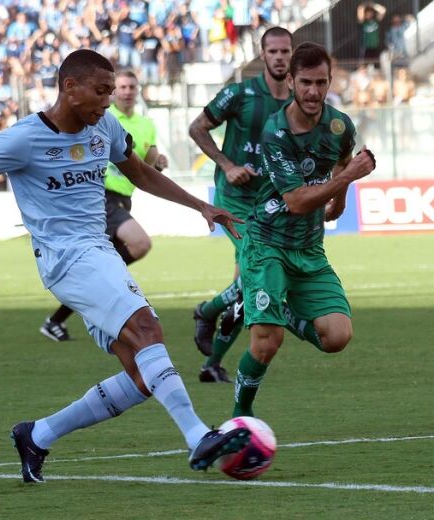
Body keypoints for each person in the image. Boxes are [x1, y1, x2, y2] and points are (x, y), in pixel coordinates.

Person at [0, 50, 250, 483]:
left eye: (111, 92)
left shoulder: (105, 127)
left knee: (141, 375)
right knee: (148, 328)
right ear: (69, 88)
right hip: (67, 258)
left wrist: (202, 206)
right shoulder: (23, 138)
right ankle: (198, 436)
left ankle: (38, 434)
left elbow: (140, 174)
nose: (108, 102)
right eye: (100, 91)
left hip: (97, 254)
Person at [232, 42, 376, 418]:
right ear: (292, 82)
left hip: (308, 248)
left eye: (321, 82)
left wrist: (341, 199)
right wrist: (345, 177)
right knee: (266, 343)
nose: (314, 92)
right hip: (267, 243)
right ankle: (240, 416)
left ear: (330, 81)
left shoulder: (340, 125)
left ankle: (283, 311)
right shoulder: (276, 132)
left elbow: (343, 158)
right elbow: (296, 200)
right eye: (306, 82)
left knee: (337, 337)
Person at [188, 26, 292, 383]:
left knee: (248, 285)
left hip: (271, 204)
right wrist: (227, 165)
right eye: (273, 51)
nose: (280, 57)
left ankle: (211, 364)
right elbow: (197, 127)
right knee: (257, 271)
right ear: (263, 55)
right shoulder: (240, 93)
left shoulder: (298, 101)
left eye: (285, 51)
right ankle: (207, 311)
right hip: (236, 201)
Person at [41, 69, 168, 342]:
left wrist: (158, 162)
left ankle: (56, 320)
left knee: (94, 270)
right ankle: (108, 298)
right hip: (102, 196)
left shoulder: (146, 124)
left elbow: (147, 161)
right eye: (121, 86)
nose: (126, 91)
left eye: (131, 86)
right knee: (139, 243)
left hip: (125, 199)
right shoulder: (102, 118)